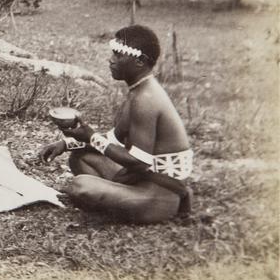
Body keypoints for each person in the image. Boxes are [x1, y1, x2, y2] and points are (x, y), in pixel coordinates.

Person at [38, 25, 193, 224]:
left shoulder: (146, 99)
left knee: (80, 186)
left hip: (160, 193)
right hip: (142, 179)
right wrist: (67, 144)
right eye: (114, 53)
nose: (111, 59)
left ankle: (158, 207)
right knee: (80, 158)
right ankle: (117, 197)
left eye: (119, 55)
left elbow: (139, 161)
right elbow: (113, 140)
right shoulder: (138, 90)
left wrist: (92, 137)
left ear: (139, 62)